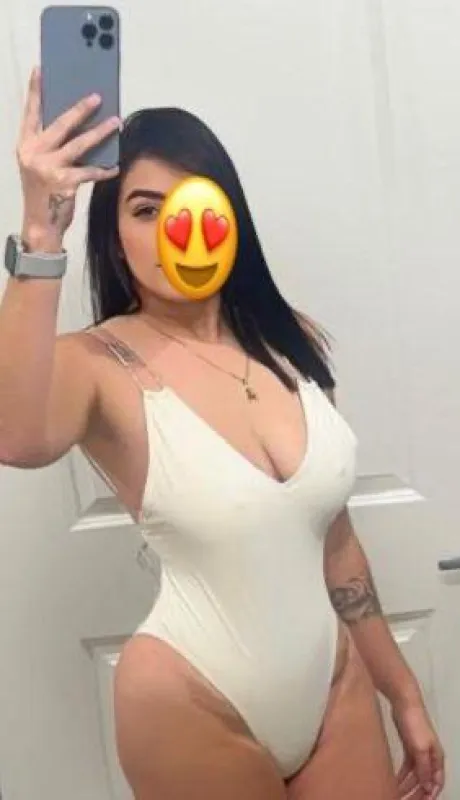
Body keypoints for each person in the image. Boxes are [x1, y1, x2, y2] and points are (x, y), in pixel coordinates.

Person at [0, 66, 445, 800]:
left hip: (333, 686)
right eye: (146, 210)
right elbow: (15, 438)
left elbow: (335, 543)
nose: (179, 229)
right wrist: (42, 230)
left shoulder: (287, 343)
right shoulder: (96, 363)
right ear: (113, 239)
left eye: (196, 203)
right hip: (188, 700)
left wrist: (404, 694)